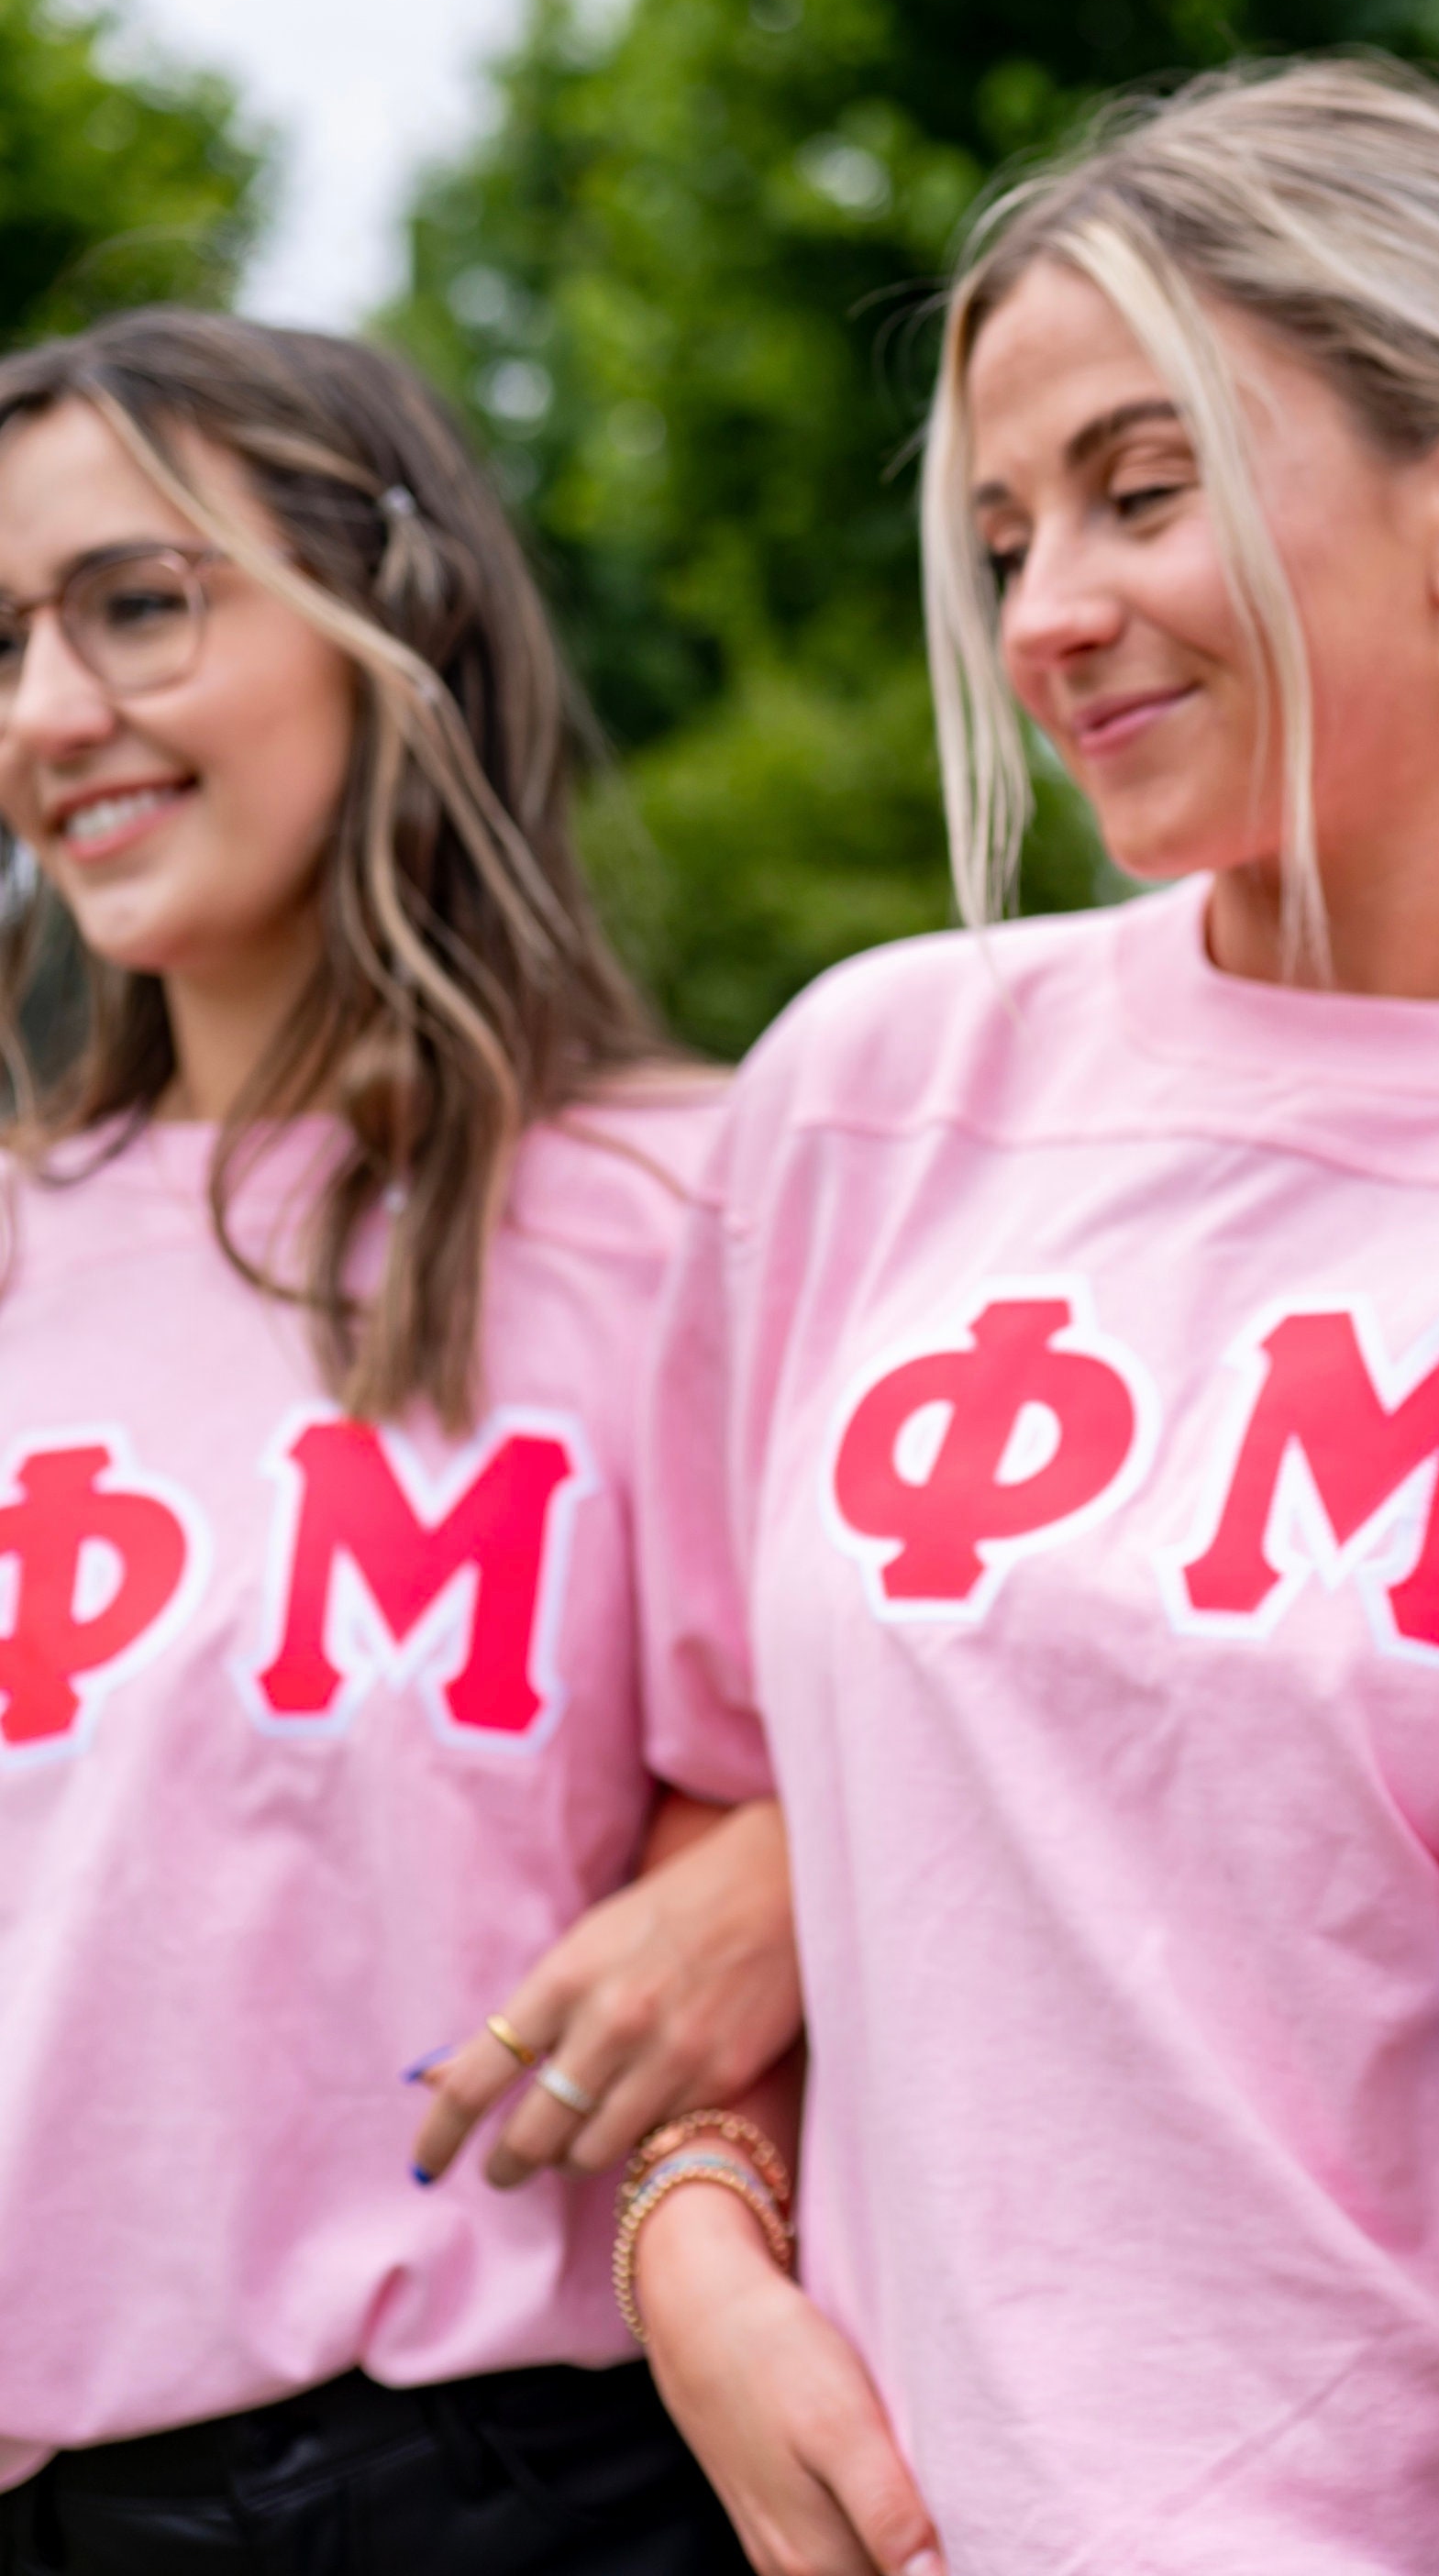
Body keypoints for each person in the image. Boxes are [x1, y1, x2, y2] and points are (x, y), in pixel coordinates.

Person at [624, 57, 1439, 2576]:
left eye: (1141, 488)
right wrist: (691, 2237)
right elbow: (719, 1789)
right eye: (1000, 529)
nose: (1047, 608)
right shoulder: (871, 1094)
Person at [0, 310, 801, 2575]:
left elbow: (970, 1746)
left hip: (538, 2487)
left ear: (403, 615)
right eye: (6, 643)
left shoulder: (697, 1204)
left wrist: (785, 1872)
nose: (53, 714)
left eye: (136, 604)